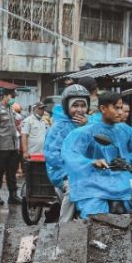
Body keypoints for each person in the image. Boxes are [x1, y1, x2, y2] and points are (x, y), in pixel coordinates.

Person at [62, 91, 132, 218]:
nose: (120, 112)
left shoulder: (125, 130)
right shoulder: (86, 132)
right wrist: (91, 162)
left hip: (123, 182)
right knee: (96, 219)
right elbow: (71, 154)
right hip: (93, 184)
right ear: (103, 108)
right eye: (116, 108)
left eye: (121, 108)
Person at [44, 84, 90, 222]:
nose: (79, 110)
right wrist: (72, 169)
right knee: (73, 189)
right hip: (63, 173)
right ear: (66, 106)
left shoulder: (89, 124)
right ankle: (63, 228)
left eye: (83, 106)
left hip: (87, 171)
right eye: (75, 105)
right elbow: (52, 155)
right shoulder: (59, 127)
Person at [0, 89, 22, 206]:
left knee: (12, 172)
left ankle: (13, 195)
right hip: (1, 148)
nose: (13, 99)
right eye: (12, 96)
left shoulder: (10, 110)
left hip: (12, 147)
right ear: (5, 96)